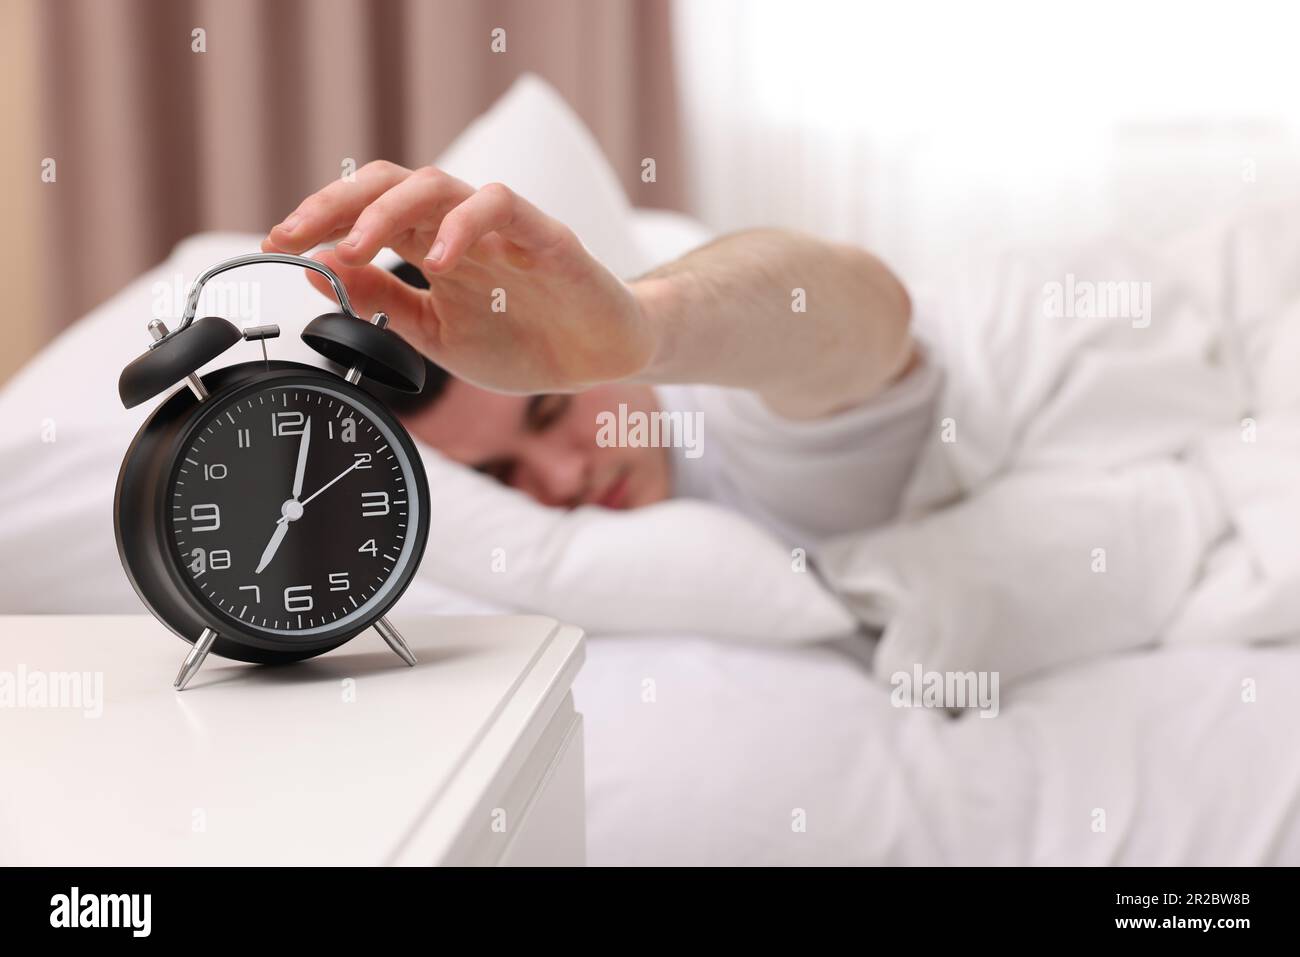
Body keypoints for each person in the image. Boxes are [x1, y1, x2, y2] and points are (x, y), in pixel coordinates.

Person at [262, 161, 940, 545]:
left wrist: (642, 329)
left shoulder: (732, 404)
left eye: (550, 412)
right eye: (500, 474)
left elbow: (871, 315)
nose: (561, 481)